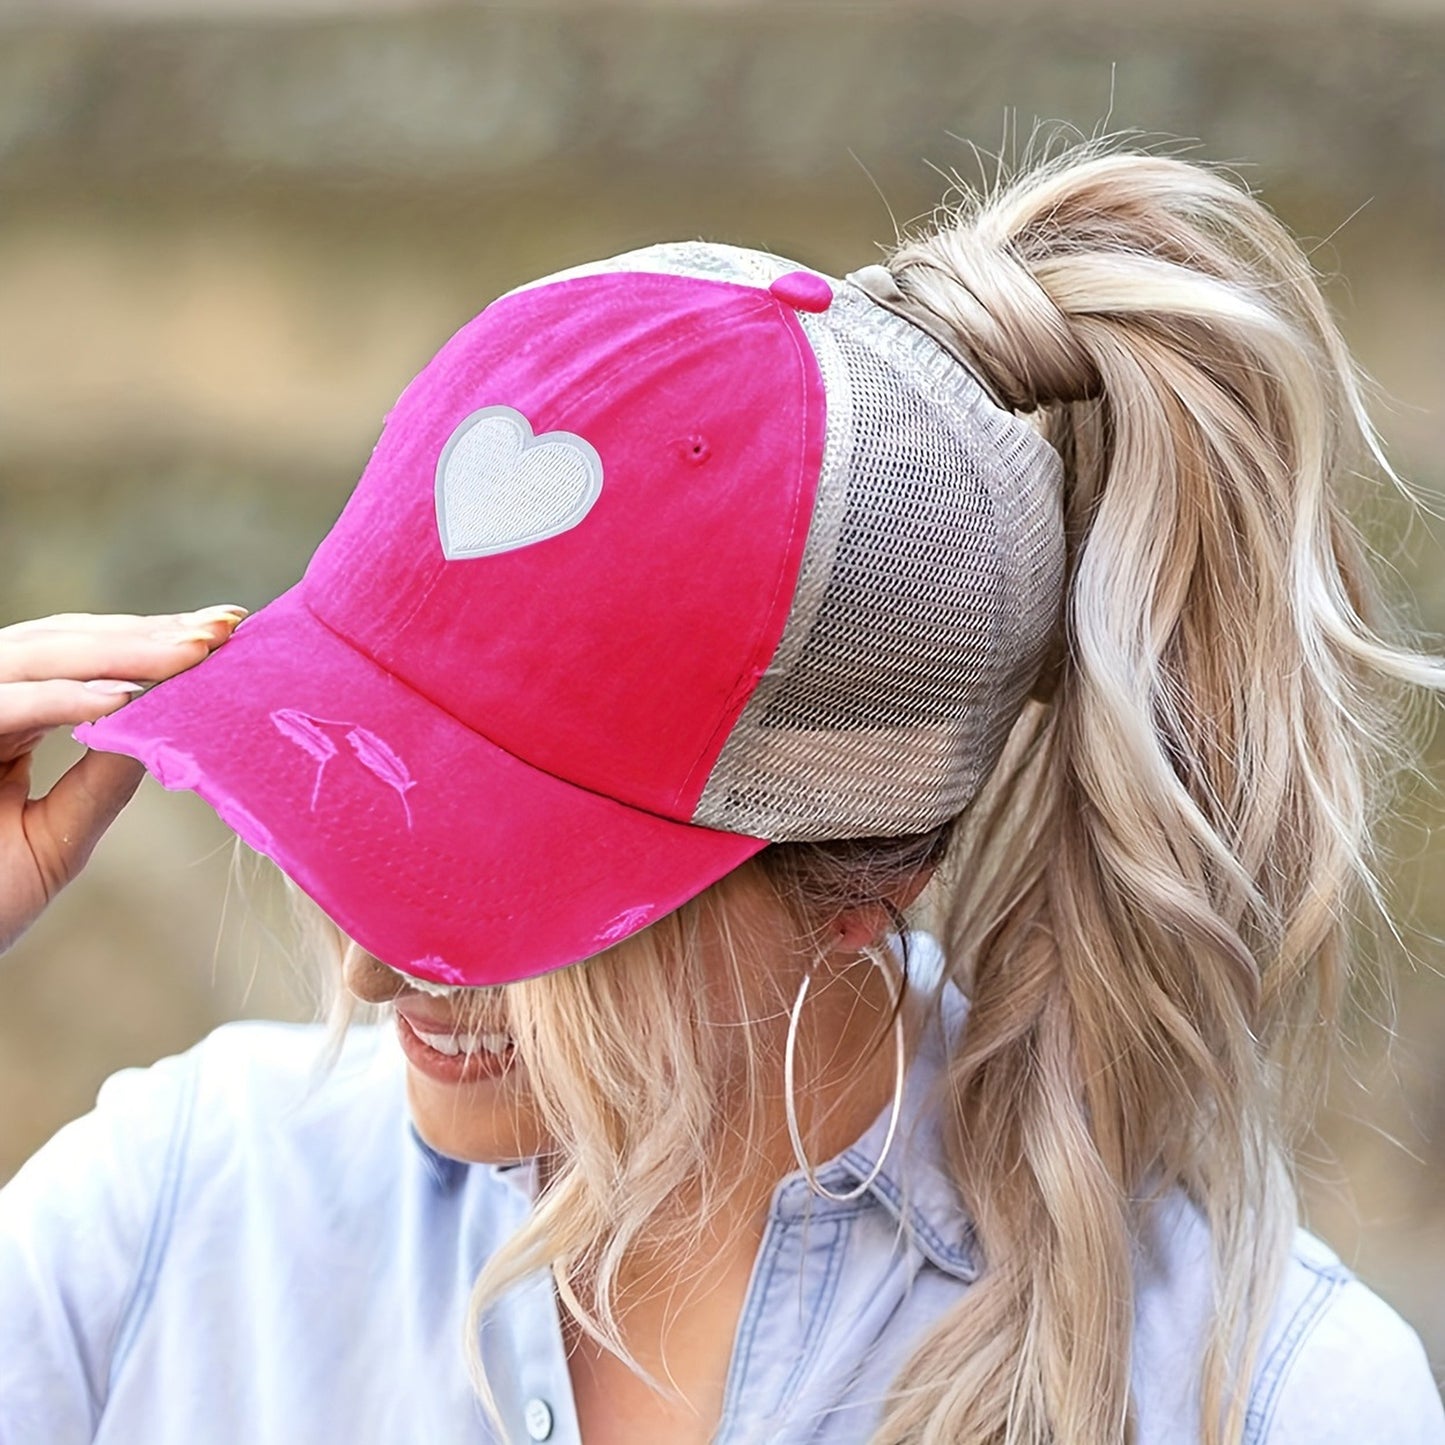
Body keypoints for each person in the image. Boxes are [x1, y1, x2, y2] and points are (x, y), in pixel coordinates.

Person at [1, 144, 1442, 1445]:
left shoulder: (1258, 1399)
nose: (377, 966)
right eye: (365, 803)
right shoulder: (176, 1212)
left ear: (867, 877)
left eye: (495, 884)